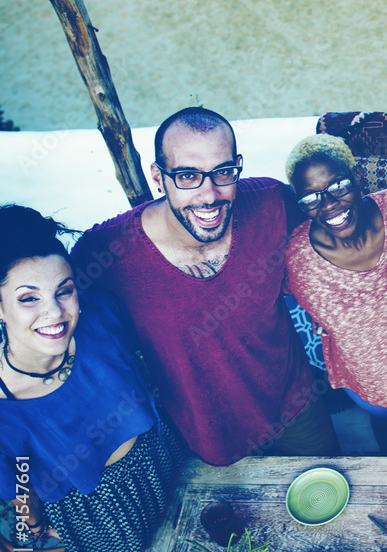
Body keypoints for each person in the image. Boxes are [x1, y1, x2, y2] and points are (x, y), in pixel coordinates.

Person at [72, 107, 338, 466]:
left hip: (295, 405)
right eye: (187, 176)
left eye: (223, 172)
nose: (209, 194)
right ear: (158, 176)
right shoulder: (106, 253)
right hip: (210, 436)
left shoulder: (273, 203)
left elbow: (336, 235)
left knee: (331, 488)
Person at [0, 205, 178, 552]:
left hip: (157, 463)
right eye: (29, 298)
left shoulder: (100, 317)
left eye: (64, 291)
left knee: (182, 545)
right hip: (97, 513)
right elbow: (19, 487)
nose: (54, 313)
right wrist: (33, 520)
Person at [283, 135, 387, 456]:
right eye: (311, 198)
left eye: (338, 186)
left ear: (357, 177)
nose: (329, 204)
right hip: (366, 373)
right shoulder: (296, 259)